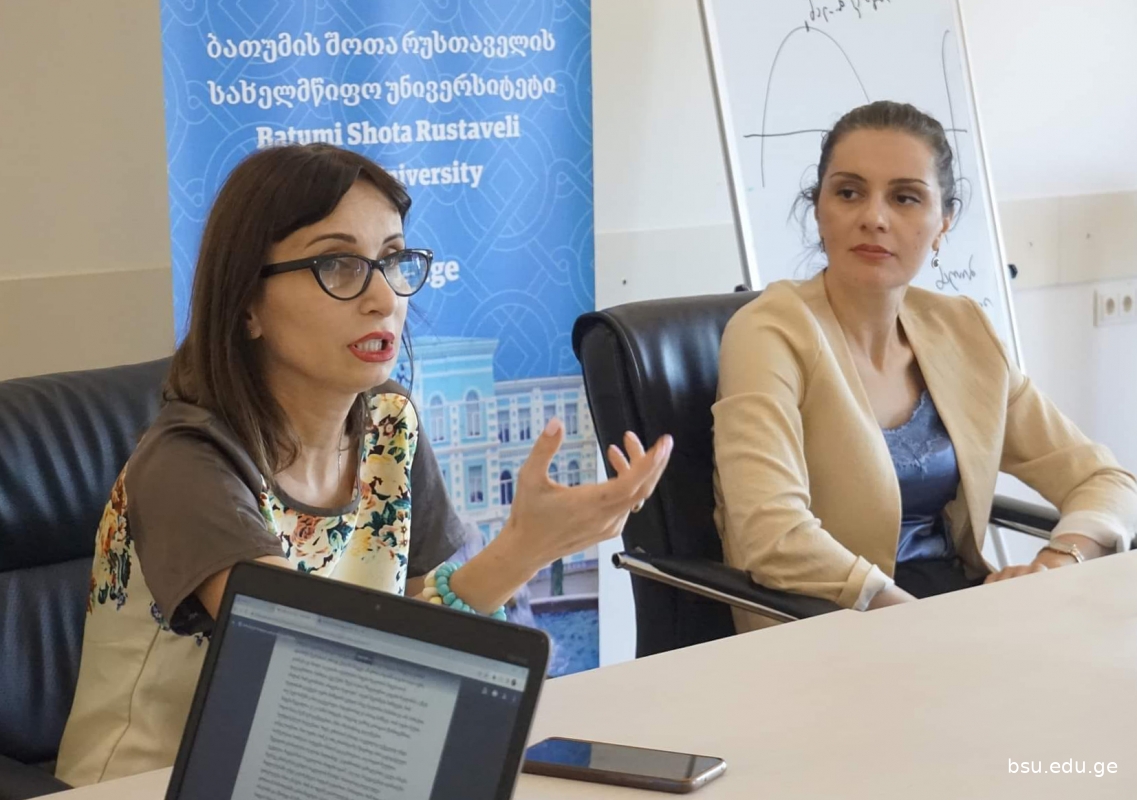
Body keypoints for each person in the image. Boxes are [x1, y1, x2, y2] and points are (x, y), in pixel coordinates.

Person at [55, 144, 672, 786]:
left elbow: (428, 647)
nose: (383, 297)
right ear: (246, 305)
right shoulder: (186, 463)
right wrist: (519, 549)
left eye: (393, 260)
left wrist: (526, 551)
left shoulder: (389, 425)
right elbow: (312, 680)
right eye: (338, 265)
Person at [713, 101, 1137, 631]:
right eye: (849, 192)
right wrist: (928, 626)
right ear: (819, 210)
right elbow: (772, 536)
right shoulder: (769, 333)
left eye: (905, 197)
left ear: (943, 224)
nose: (874, 216)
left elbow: (1103, 477)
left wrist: (1058, 561)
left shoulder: (963, 329)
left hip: (955, 610)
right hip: (833, 626)